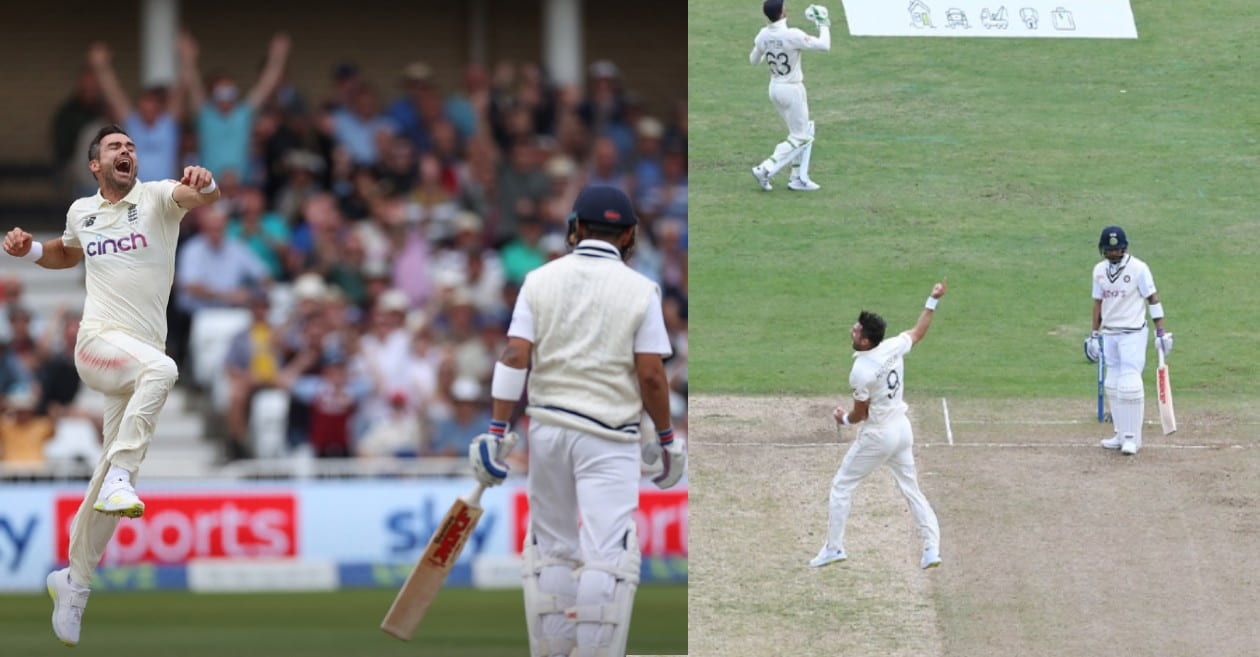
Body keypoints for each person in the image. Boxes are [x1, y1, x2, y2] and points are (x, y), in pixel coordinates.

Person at [2, 123, 220, 646]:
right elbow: (66, 252)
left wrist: (206, 182)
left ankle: (75, 581)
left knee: (106, 483)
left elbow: (202, 194)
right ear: (95, 165)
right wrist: (30, 251)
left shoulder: (159, 198)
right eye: (114, 148)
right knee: (164, 371)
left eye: (130, 146)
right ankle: (124, 472)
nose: (126, 152)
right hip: (98, 344)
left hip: (136, 355)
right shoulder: (83, 211)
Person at [467, 185, 685, 657]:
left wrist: (497, 431)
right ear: (628, 235)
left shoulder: (539, 279)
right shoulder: (641, 288)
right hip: (609, 436)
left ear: (577, 229)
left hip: (546, 429)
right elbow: (650, 375)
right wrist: (667, 439)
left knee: (553, 549)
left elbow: (513, 355)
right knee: (608, 556)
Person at [809, 279, 947, 571]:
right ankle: (931, 548)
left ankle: (834, 548)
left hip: (879, 435)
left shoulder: (861, 371)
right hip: (902, 429)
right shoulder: (894, 346)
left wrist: (842, 419)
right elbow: (919, 331)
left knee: (841, 486)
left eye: (857, 330)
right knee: (912, 489)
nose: (853, 330)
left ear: (866, 342)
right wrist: (932, 299)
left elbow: (860, 414)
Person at [1084, 226, 1172, 455]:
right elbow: (1098, 303)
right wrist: (1094, 334)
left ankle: (1133, 438)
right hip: (1110, 333)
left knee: (1130, 382)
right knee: (1112, 382)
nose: (1114, 253)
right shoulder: (1099, 271)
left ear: (1125, 247)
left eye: (1118, 249)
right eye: (1110, 250)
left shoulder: (1139, 268)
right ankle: (1120, 434)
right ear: (1103, 250)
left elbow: (1152, 298)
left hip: (1133, 332)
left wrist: (1160, 331)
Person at [749, 0, 831, 192]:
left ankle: (797, 178)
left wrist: (768, 48)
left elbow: (753, 60)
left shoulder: (763, 35)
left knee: (798, 133)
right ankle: (766, 167)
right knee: (801, 136)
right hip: (792, 89)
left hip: (775, 88)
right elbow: (824, 46)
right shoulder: (792, 34)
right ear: (782, 12)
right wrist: (824, 24)